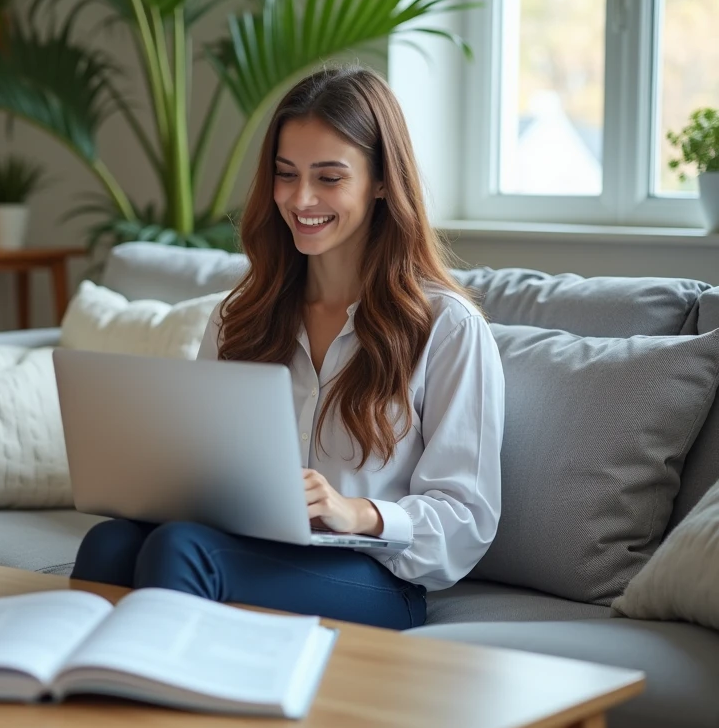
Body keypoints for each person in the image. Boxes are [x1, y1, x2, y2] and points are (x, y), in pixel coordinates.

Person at [70, 66, 505, 630]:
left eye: (329, 177)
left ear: (379, 181)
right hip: (249, 547)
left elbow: (466, 517)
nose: (301, 199)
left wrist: (357, 513)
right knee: (109, 544)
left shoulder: (447, 328)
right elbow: (205, 467)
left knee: (180, 551)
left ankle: (167, 712)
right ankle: (88, 695)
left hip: (377, 578)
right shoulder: (239, 319)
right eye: (286, 174)